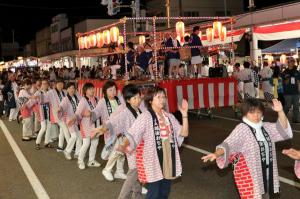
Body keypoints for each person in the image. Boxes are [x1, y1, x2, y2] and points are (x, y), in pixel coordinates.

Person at [202, 98, 293, 199]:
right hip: (251, 174)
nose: (256, 115)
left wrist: (280, 111)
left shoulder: (266, 127)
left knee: (266, 196)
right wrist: (216, 154)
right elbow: (229, 144)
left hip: (267, 173)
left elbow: (283, 130)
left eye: (259, 112)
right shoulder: (242, 129)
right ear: (245, 113)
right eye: (252, 112)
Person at [119, 86, 189, 199]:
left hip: (168, 161)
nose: (162, 99)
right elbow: (132, 134)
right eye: (158, 97)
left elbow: (184, 133)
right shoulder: (145, 117)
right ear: (150, 100)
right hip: (153, 163)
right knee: (153, 194)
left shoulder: (169, 117)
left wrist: (184, 114)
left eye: (163, 97)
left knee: (164, 193)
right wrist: (123, 145)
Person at [97, 84, 144, 198]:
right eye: (135, 98)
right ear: (128, 100)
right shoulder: (125, 112)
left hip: (139, 148)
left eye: (139, 97)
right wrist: (101, 129)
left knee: (135, 175)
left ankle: (137, 194)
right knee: (132, 175)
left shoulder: (139, 110)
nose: (138, 100)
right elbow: (113, 122)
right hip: (132, 150)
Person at [91, 80, 125, 181]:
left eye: (114, 89)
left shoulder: (120, 99)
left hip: (122, 129)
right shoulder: (102, 101)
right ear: (105, 92)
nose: (113, 92)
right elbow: (96, 112)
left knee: (122, 152)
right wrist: (90, 114)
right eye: (110, 90)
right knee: (113, 151)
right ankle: (108, 170)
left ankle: (119, 171)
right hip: (109, 130)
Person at [72, 82, 102, 169]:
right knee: (86, 143)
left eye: (93, 88)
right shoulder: (83, 100)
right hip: (86, 126)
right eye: (90, 89)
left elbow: (100, 111)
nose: (92, 90)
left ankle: (91, 161)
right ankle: (80, 161)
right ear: (85, 91)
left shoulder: (97, 99)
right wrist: (83, 114)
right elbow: (77, 113)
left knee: (95, 143)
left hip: (96, 125)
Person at [43, 79, 70, 152]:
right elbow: (44, 100)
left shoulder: (64, 92)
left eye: (62, 84)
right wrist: (44, 91)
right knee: (65, 129)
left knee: (62, 130)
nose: (61, 86)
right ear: (55, 84)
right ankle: (70, 146)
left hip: (64, 114)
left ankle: (60, 146)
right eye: (59, 84)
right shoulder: (51, 92)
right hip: (56, 114)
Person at [59, 83, 82, 160]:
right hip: (70, 120)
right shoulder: (65, 99)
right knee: (74, 136)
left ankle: (77, 153)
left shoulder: (78, 97)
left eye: (73, 88)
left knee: (79, 137)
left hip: (77, 119)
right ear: (67, 89)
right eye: (71, 88)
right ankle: (67, 151)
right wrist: (60, 109)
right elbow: (61, 107)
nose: (72, 90)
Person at [35, 79, 53, 149]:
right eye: (43, 83)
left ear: (48, 85)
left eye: (46, 83)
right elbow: (33, 101)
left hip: (49, 112)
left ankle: (46, 142)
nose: (44, 85)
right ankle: (37, 142)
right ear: (41, 85)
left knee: (49, 127)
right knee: (44, 127)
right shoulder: (39, 92)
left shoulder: (50, 92)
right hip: (42, 112)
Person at [281, 58, 300, 123]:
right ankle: (281, 117)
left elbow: (298, 82)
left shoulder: (297, 72)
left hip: (296, 92)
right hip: (288, 92)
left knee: (296, 107)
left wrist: (299, 90)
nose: (292, 63)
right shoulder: (284, 72)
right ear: (288, 63)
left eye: (293, 62)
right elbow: (284, 83)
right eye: (290, 62)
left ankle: (295, 119)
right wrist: (289, 77)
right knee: (287, 106)